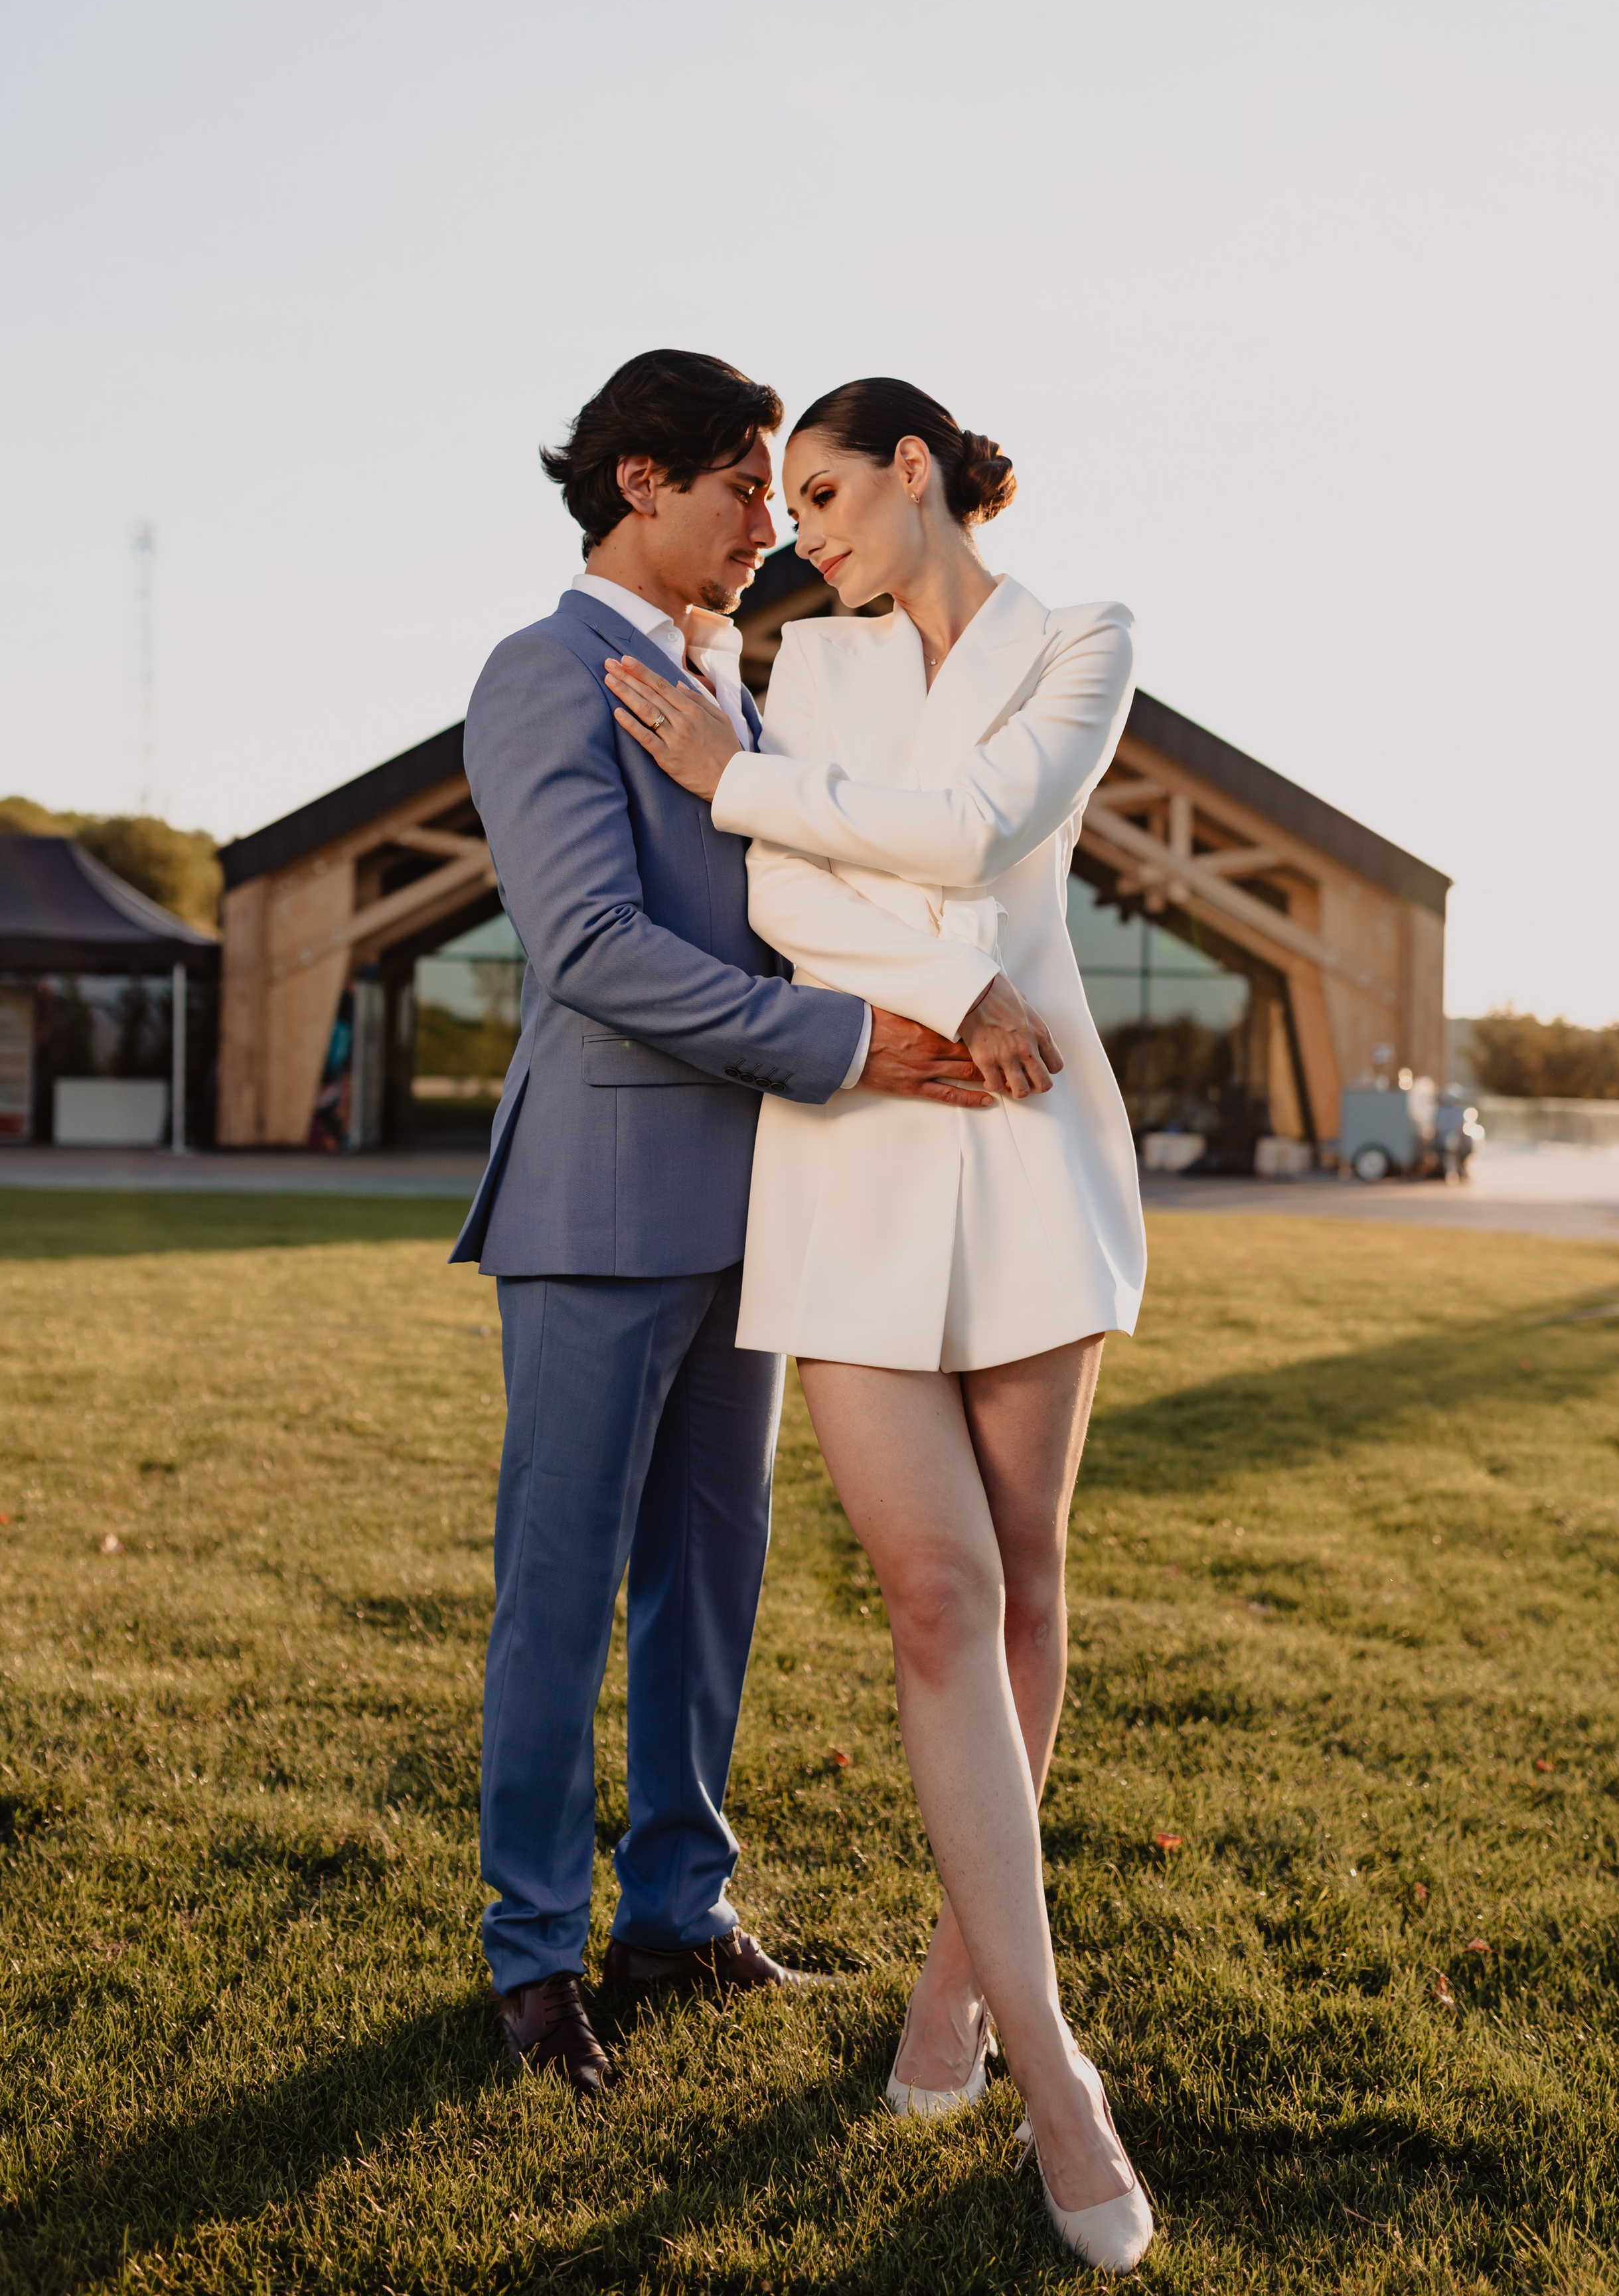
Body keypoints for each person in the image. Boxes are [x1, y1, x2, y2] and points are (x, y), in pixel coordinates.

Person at [602, 376, 1156, 2273]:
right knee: (931, 1595)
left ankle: (955, 1990)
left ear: (916, 468)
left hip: (1023, 1155)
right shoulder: (808, 667)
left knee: (1019, 1581)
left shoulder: (1086, 641)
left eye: (827, 491)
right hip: (855, 1145)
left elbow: (992, 818)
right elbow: (789, 899)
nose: (800, 529)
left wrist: (722, 772)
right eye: (787, 504)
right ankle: (1058, 2070)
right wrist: (959, 987)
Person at [451, 350, 998, 2096]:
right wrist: (853, 1044)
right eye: (749, 485)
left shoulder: (740, 696)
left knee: (714, 1580)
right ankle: (535, 1961)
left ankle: (678, 1912)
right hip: (600, 1205)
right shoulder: (545, 674)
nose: (776, 519)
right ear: (640, 482)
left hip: (756, 1211)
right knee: (564, 1588)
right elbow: (597, 952)